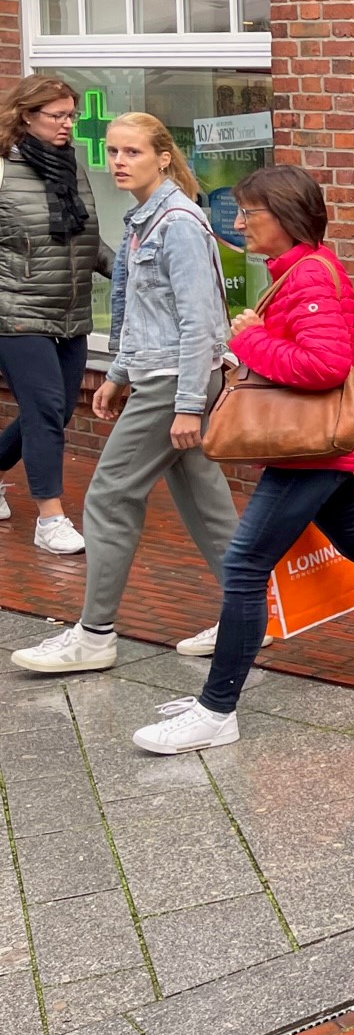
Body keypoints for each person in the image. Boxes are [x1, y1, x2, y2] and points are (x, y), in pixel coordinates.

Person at [131, 166, 354, 755]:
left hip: (312, 449)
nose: (239, 222)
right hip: (314, 445)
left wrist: (247, 339)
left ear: (287, 217)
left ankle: (216, 711)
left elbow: (323, 367)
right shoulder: (296, 272)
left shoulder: (310, 278)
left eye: (250, 213)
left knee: (245, 567)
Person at [12, 116, 238, 673]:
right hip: (162, 374)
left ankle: (94, 635)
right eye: (113, 150)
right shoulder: (145, 218)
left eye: (132, 151)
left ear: (163, 157)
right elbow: (144, 313)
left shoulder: (177, 222)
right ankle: (255, 616)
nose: (118, 161)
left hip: (172, 382)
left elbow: (199, 321)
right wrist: (118, 372)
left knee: (109, 497)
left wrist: (187, 404)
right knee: (206, 505)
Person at [0, 75, 113, 555]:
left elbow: (86, 241)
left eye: (71, 115)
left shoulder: (70, 168)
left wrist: (129, 269)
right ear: (27, 116)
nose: (68, 124)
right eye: (58, 116)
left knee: (59, 411)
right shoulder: (4, 170)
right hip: (16, 312)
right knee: (45, 411)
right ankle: (50, 518)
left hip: (70, 312)